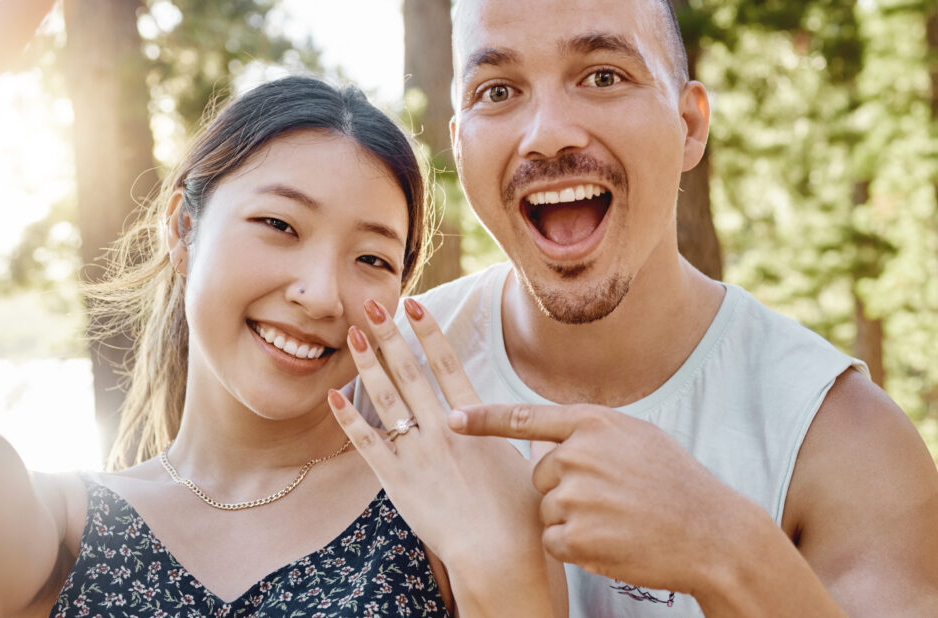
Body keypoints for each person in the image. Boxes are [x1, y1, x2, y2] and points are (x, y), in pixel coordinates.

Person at [353, 0, 938, 616]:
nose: (549, 132)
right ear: (459, 142)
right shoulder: (382, 381)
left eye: (603, 76)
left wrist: (730, 552)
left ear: (689, 124)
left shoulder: (844, 440)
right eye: (497, 90)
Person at [0, 75, 564, 618]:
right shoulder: (60, 525)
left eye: (371, 257)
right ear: (183, 228)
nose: (319, 295)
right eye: (279, 225)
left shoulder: (448, 504)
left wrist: (503, 563)